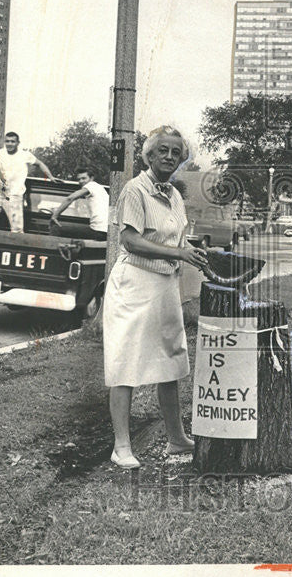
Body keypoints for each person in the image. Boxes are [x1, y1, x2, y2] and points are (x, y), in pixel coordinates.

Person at [102, 127, 208, 469]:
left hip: (164, 285)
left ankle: (176, 439)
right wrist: (178, 255)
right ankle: (121, 446)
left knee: (171, 361)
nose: (169, 157)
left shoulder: (175, 195)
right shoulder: (134, 191)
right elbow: (130, 241)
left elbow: (174, 242)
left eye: (176, 153)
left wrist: (191, 251)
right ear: (148, 156)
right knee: (125, 363)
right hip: (134, 283)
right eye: (162, 151)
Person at [0, 131, 55, 234]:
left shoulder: (25, 155)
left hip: (14, 196)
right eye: (7, 141)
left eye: (12, 141)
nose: (9, 144)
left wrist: (50, 176)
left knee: (17, 229)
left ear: (18, 143)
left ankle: (17, 250)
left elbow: (40, 164)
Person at [49, 167, 109, 240]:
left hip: (98, 231)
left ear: (91, 178)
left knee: (56, 229)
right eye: (79, 179)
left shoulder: (91, 185)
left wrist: (54, 216)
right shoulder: (100, 189)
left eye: (84, 178)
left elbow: (70, 198)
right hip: (105, 231)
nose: (81, 181)